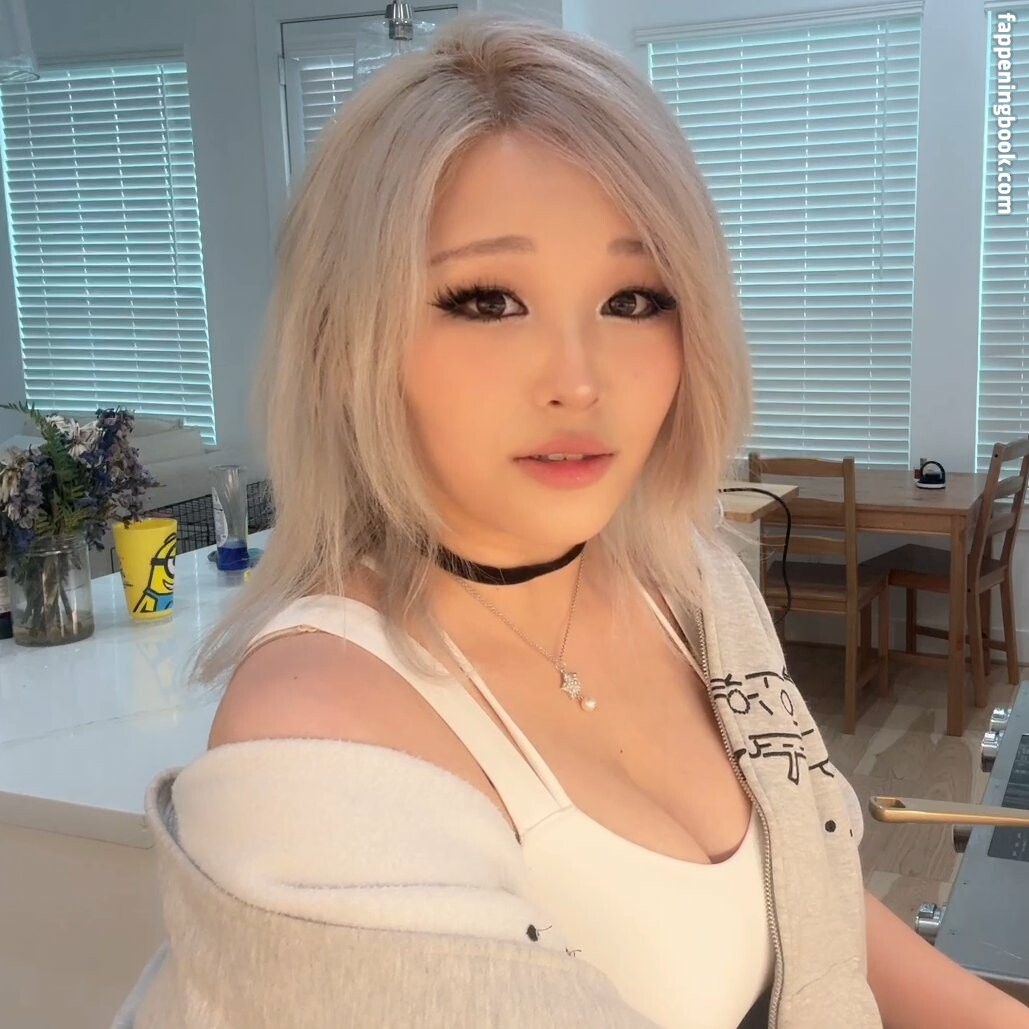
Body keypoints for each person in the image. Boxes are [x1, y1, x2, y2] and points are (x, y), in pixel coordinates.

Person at [113, 13, 1029, 1029]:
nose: (579, 382)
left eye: (634, 299)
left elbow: (808, 895)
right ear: (344, 342)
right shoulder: (316, 746)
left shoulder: (688, 580)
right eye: (486, 300)